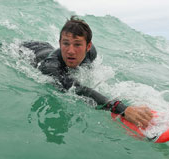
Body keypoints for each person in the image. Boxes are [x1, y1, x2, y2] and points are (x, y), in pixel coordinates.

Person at [22, 16, 153, 128]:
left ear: (88, 46)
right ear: (60, 43)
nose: (71, 51)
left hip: (45, 47)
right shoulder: (51, 67)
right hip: (26, 50)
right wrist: (122, 109)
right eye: (66, 43)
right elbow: (78, 89)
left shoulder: (91, 53)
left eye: (77, 45)